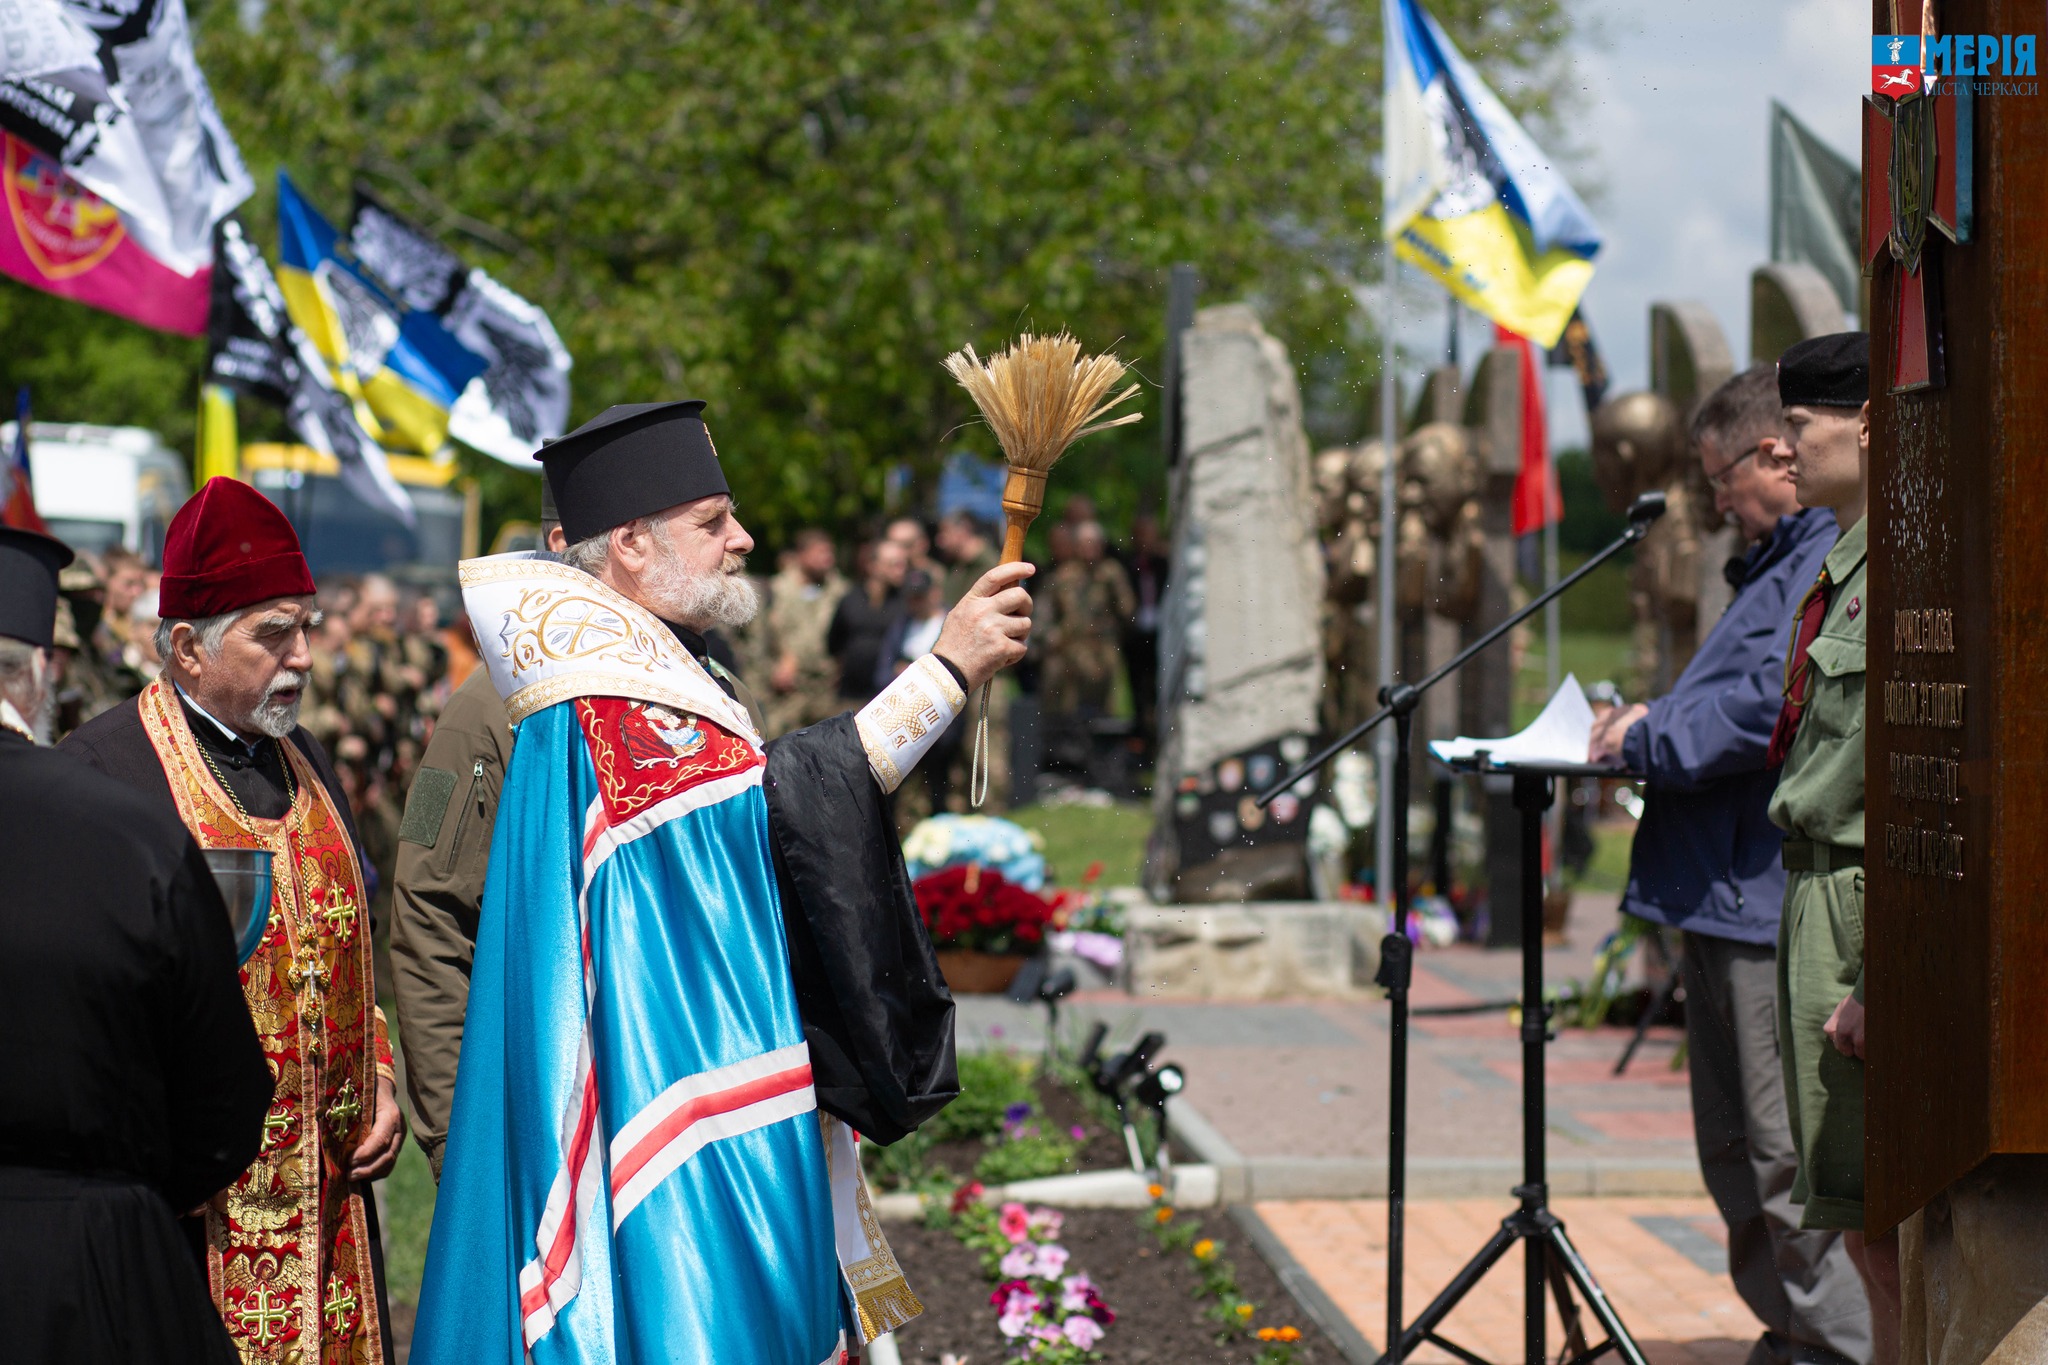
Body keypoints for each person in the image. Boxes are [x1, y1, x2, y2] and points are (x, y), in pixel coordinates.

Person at [410, 401, 1034, 1364]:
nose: (743, 539)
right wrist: (942, 674)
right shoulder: (600, 707)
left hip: (671, 1068)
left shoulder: (668, 675)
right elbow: (758, 814)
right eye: (712, 520)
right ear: (630, 544)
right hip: (627, 1113)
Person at [61, 478, 404, 1363]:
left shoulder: (304, 754)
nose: (303, 657)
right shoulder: (102, 771)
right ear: (187, 646)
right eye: (273, 634)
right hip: (193, 1221)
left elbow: (345, 942)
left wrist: (378, 1071)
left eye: (307, 628)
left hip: (329, 1207)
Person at [1589, 364, 1867, 1365]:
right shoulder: (1772, 563)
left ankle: (1837, 1347)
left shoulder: (1824, 554)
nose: (1715, 504)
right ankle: (1790, 1332)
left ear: (1772, 452)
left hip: (1758, 892)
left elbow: (1762, 709)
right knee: (1733, 1151)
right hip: (1717, 892)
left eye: (1720, 478)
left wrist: (1645, 735)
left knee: (1783, 1151)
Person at [0, 526, 275, 1365]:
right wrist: (139, 1191)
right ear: (41, 670)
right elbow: (226, 1096)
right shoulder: (132, 833)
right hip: (94, 1264)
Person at [1760, 333, 1895, 1361]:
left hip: (1859, 905)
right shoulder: (1843, 562)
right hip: (1817, 897)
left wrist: (1881, 974)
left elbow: (1923, 795)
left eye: (1798, 424)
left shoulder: (1906, 564)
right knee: (1861, 1227)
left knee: (1891, 1227)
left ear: (1867, 423)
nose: (1780, 446)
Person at [388, 493, 563, 1182]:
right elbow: (427, 903)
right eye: (704, 521)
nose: (740, 540)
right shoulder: (481, 708)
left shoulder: (716, 689)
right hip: (544, 1119)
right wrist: (454, 1136)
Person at [1038, 519, 1135, 776]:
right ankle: (1068, 768)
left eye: (1094, 543)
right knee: (1068, 716)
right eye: (1084, 543)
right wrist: (1051, 636)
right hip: (1071, 657)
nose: (1089, 549)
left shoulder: (1111, 573)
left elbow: (1128, 611)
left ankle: (1106, 768)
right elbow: (1044, 615)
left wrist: (1113, 584)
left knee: (1108, 716)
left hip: (1104, 655)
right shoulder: (1063, 576)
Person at [760, 526, 847, 738]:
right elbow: (761, 637)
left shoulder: (840, 591)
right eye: (820, 552)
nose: (826, 559)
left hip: (827, 685)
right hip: (790, 687)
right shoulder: (777, 589)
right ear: (802, 554)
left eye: (829, 552)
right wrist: (775, 665)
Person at [827, 534, 908, 705]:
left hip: (891, 697)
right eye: (894, 564)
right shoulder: (850, 600)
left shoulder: (906, 603)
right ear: (873, 566)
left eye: (903, 564)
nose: (901, 570)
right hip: (850, 694)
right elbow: (834, 642)